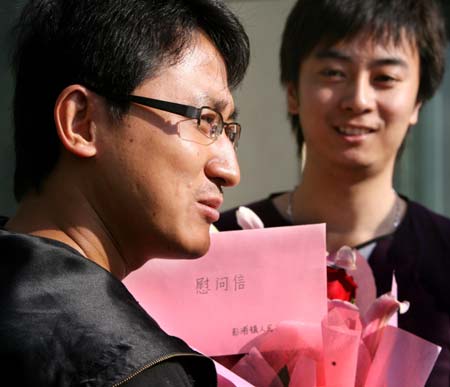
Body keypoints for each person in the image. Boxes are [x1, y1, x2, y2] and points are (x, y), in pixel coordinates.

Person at [0, 0, 249, 385]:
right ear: (81, 122)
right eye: (205, 121)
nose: (229, 170)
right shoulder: (131, 368)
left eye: (227, 131)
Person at [216, 0, 450, 385]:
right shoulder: (220, 248)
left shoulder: (444, 258)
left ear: (418, 103)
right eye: (333, 72)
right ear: (292, 92)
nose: (358, 99)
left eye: (385, 78)